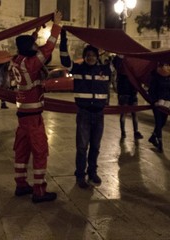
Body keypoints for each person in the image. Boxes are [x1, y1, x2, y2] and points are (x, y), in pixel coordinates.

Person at [12, 10, 62, 203]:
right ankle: (39, 190)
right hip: (33, 117)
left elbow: (26, 47)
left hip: (22, 115)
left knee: (22, 150)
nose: (35, 46)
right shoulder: (31, 64)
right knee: (40, 151)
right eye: (33, 44)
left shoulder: (17, 61)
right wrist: (56, 25)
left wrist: (35, 32)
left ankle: (21, 184)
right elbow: (48, 48)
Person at [60, 30, 112, 189]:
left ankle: (93, 172)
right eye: (88, 55)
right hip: (83, 114)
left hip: (99, 114)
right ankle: (80, 175)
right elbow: (64, 58)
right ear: (85, 56)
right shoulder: (77, 69)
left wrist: (115, 42)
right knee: (82, 147)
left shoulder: (105, 70)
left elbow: (121, 60)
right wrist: (63, 38)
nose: (91, 58)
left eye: (93, 55)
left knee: (95, 146)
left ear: (97, 57)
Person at [113, 55, 143, 140]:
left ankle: (125, 132)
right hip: (129, 93)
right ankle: (133, 132)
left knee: (125, 114)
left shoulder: (121, 67)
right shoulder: (130, 70)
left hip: (126, 93)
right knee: (132, 114)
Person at [148, 62, 170, 153]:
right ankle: (160, 143)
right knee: (158, 121)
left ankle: (153, 137)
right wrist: (154, 101)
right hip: (157, 103)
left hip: (167, 103)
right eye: (166, 65)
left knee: (163, 122)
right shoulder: (155, 77)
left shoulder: (169, 77)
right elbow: (151, 91)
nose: (168, 67)